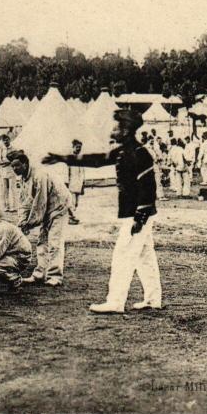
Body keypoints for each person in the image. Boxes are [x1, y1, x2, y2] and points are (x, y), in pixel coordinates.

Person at [43, 109, 160, 314]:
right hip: (135, 214)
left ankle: (115, 302)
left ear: (125, 130)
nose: (112, 130)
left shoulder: (140, 153)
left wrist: (139, 218)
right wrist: (63, 158)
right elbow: (96, 160)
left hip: (137, 214)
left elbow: (148, 187)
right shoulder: (124, 151)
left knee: (123, 256)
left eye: (116, 126)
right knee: (144, 257)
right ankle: (153, 298)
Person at [8, 149, 73, 287]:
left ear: (25, 164)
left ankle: (55, 276)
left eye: (17, 165)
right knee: (42, 242)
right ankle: (40, 274)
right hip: (47, 209)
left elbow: (39, 202)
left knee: (54, 241)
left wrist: (29, 223)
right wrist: (22, 222)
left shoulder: (39, 175)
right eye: (12, 166)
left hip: (59, 206)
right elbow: (25, 202)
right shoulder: (24, 178)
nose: (14, 169)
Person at [0, 134, 17, 211]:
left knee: (12, 188)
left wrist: (9, 163)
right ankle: (6, 206)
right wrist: (2, 163)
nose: (5, 142)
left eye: (7, 140)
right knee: (4, 189)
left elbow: (15, 159)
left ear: (9, 140)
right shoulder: (1, 149)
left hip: (11, 170)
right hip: (3, 171)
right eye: (4, 140)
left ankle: (13, 206)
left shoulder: (13, 148)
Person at [67, 139, 86, 224]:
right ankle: (71, 218)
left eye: (80, 147)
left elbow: (82, 172)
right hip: (71, 185)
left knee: (76, 204)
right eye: (77, 147)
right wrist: (67, 184)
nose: (79, 149)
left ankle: (71, 217)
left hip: (79, 184)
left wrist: (83, 184)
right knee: (71, 202)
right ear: (73, 147)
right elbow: (66, 173)